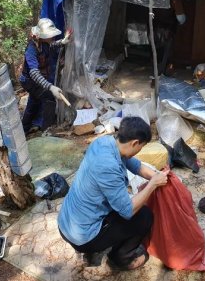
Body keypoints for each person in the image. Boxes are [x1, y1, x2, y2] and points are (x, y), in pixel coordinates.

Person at [57, 116, 169, 271]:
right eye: (141, 147)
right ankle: (121, 258)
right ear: (135, 143)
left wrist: (156, 175)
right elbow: (127, 211)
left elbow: (135, 165)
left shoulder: (104, 143)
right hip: (81, 236)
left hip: (66, 222)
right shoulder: (108, 167)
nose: (139, 151)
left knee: (126, 203)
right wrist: (152, 184)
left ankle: (99, 245)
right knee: (144, 217)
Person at [19, 18, 71, 134]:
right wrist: (51, 87)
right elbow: (34, 73)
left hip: (34, 80)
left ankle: (25, 128)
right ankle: (45, 128)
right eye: (50, 35)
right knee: (48, 96)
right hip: (28, 81)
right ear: (41, 36)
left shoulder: (44, 43)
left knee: (34, 101)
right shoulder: (31, 50)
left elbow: (52, 45)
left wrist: (62, 42)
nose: (52, 37)